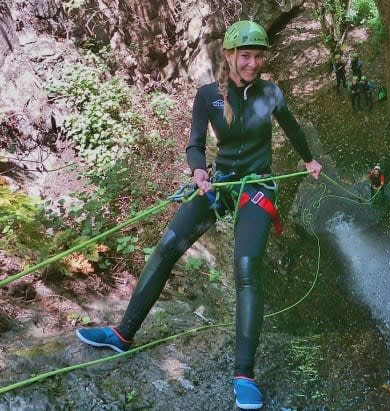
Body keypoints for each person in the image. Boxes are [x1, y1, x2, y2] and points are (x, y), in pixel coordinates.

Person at [75, 20, 323, 410]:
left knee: (246, 265)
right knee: (169, 244)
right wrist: (199, 170)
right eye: (246, 56)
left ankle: (244, 373)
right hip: (220, 183)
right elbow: (194, 144)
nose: (253, 63)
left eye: (258, 56)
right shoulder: (209, 95)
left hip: (257, 187)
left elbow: (291, 128)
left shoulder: (271, 93)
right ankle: (123, 334)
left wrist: (309, 160)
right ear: (228, 56)